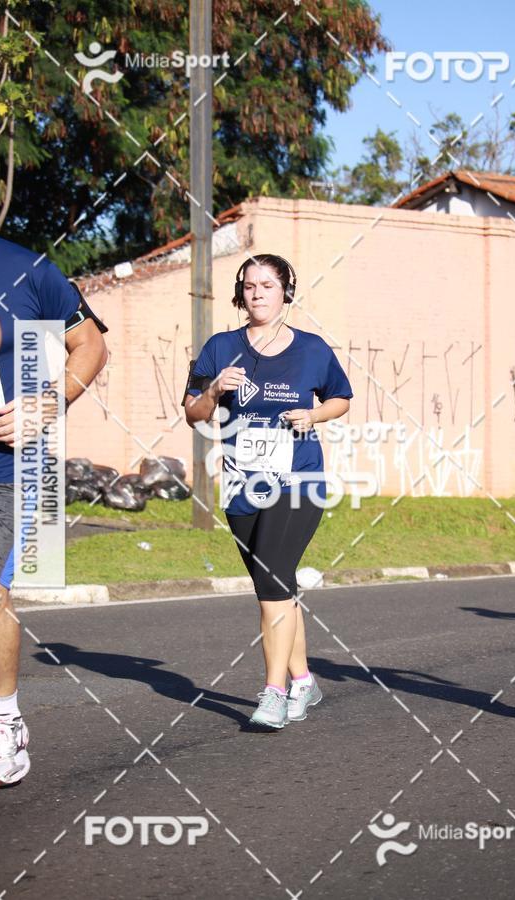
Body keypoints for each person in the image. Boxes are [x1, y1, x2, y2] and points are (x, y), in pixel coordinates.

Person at [184, 253, 352, 728]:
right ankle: (304, 681)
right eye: (250, 286)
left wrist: (313, 415)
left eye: (267, 285)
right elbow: (193, 413)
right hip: (243, 484)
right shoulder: (220, 346)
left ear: (286, 292)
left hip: (299, 480)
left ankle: (274, 692)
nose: (257, 293)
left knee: (272, 581)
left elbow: (341, 398)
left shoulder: (313, 349)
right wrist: (214, 390)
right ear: (241, 293)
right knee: (276, 586)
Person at [0, 235, 108, 786]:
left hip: (7, 471)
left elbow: (90, 345)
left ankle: (4, 722)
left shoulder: (28, 270)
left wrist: (47, 402)